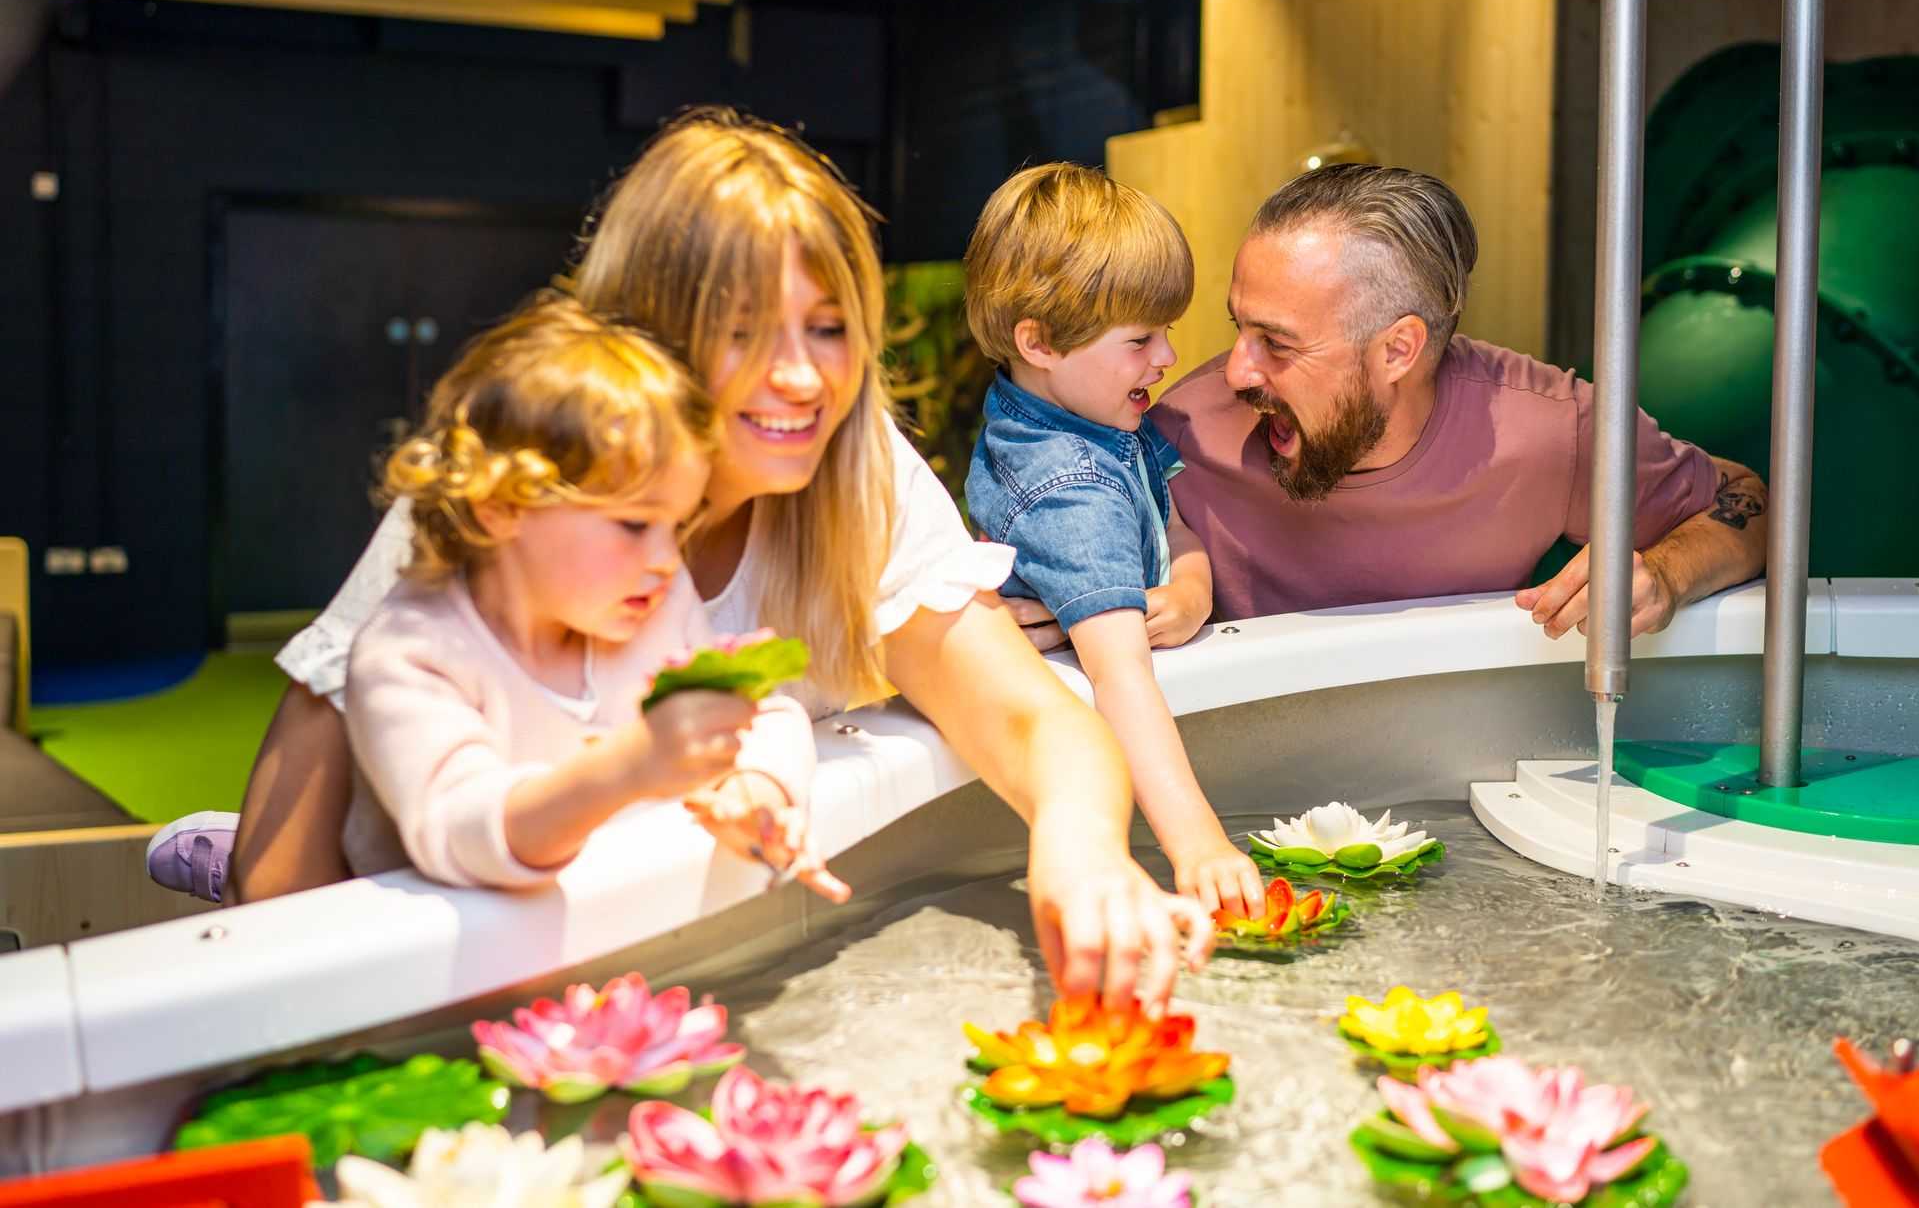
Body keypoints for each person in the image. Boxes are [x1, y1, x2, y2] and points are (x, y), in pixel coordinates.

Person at [160, 108, 1210, 1015]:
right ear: (646, 334)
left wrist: (1079, 854)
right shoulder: (529, 484)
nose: (800, 377)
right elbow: (288, 860)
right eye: (744, 329)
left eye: (831, 326)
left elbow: (1031, 721)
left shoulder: (854, 467)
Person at [1006, 164, 1767, 646]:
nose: (1236, 370)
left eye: (1277, 341)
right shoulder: (1174, 436)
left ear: (1399, 349)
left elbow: (1749, 500)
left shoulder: (1547, 428)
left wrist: (1662, 575)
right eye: (1239, 327)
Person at [341, 300, 841, 898]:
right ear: (501, 506)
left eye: (675, 527)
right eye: (633, 526)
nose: (665, 558)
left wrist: (752, 793)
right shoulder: (412, 656)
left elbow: (762, 720)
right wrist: (628, 768)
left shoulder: (653, 603)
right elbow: (462, 833)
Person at [961, 164, 1261, 919]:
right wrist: (1197, 844)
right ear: (1040, 342)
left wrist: (1192, 589)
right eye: (1139, 339)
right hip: (1075, 758)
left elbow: (1177, 520)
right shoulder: (1068, 485)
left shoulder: (1090, 417)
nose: (1167, 357)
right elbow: (1120, 675)